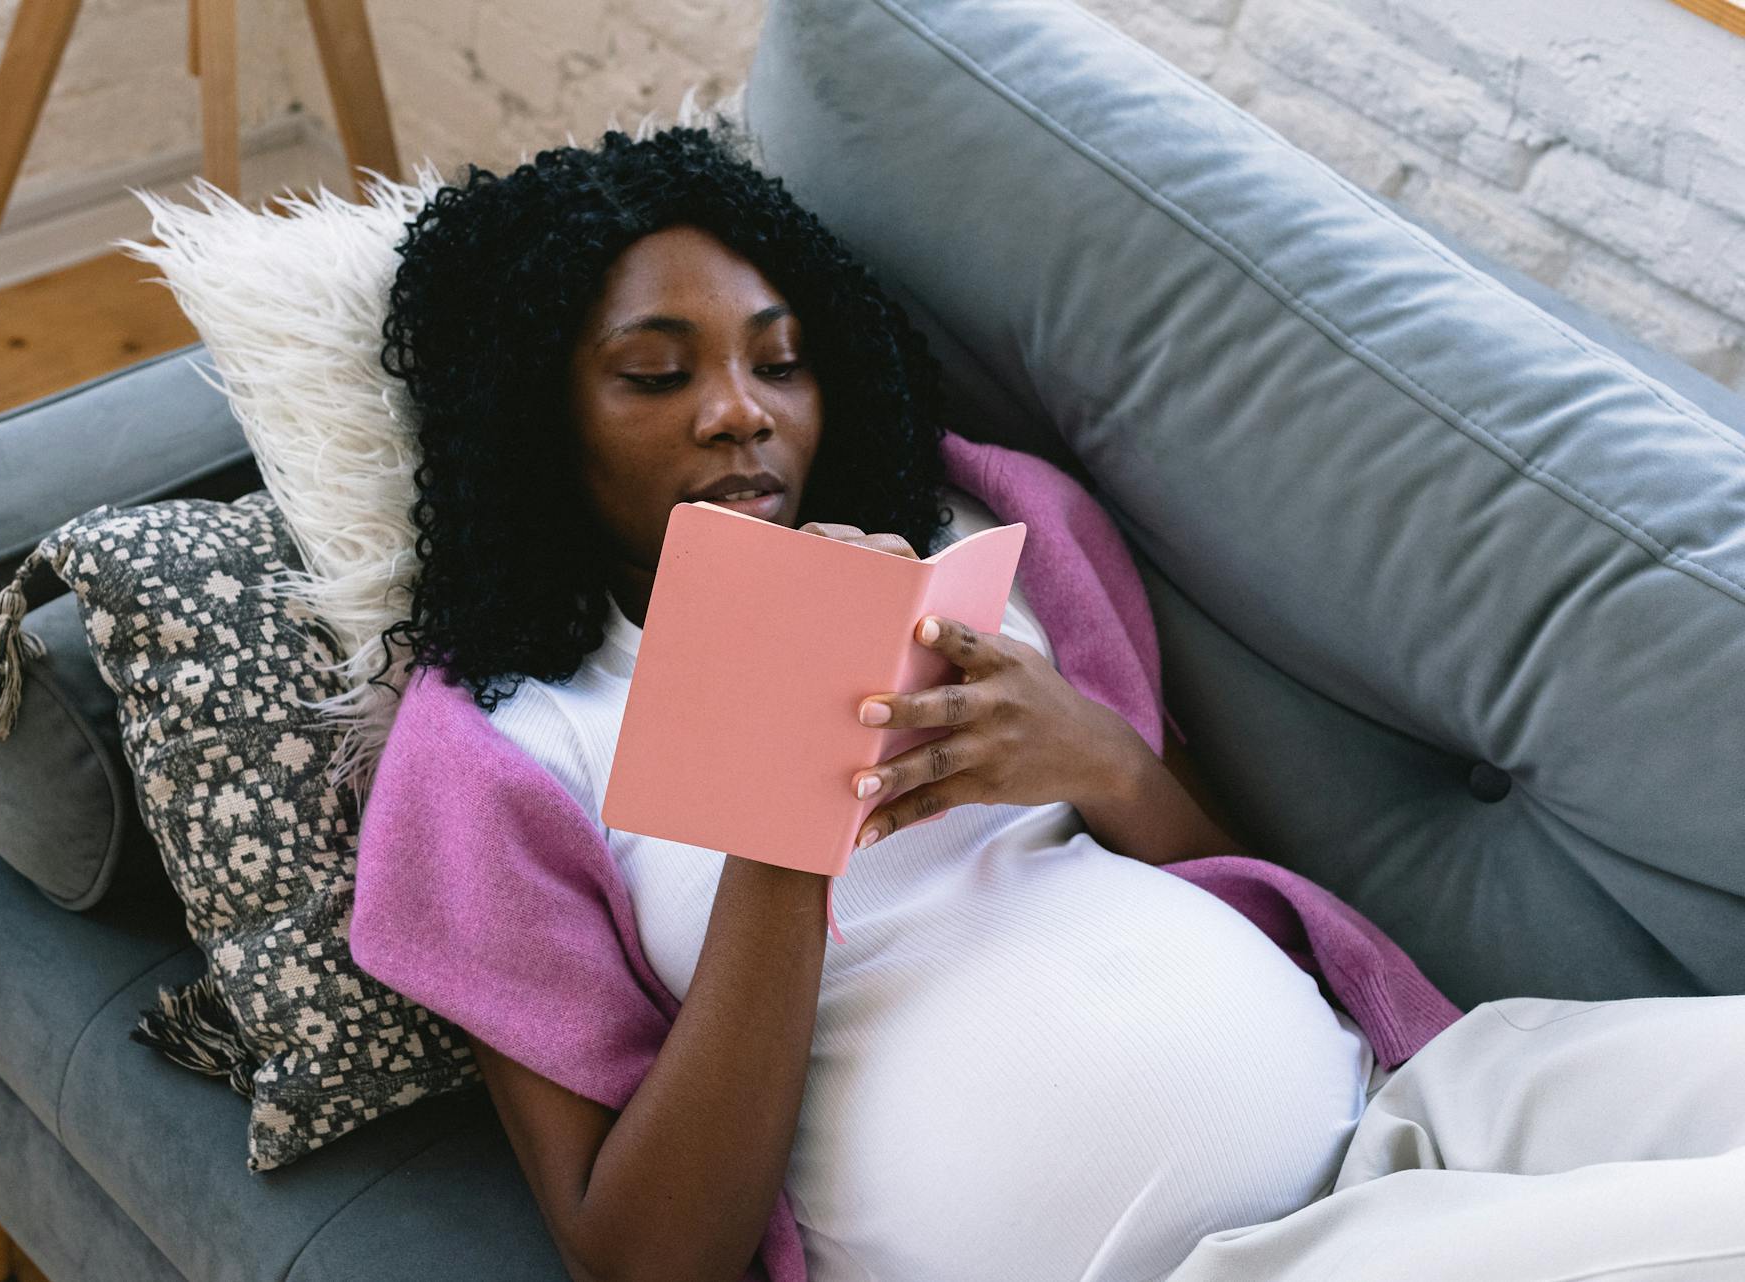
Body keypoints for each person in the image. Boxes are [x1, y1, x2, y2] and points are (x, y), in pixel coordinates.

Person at [365, 120, 1745, 1282]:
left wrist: (1103, 763)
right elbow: (643, 1250)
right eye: (657, 375)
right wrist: (784, 818)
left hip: (1418, 1102)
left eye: (780, 361)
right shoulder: (504, 741)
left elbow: (1229, 871)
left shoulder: (987, 526)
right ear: (540, 422)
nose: (743, 412)